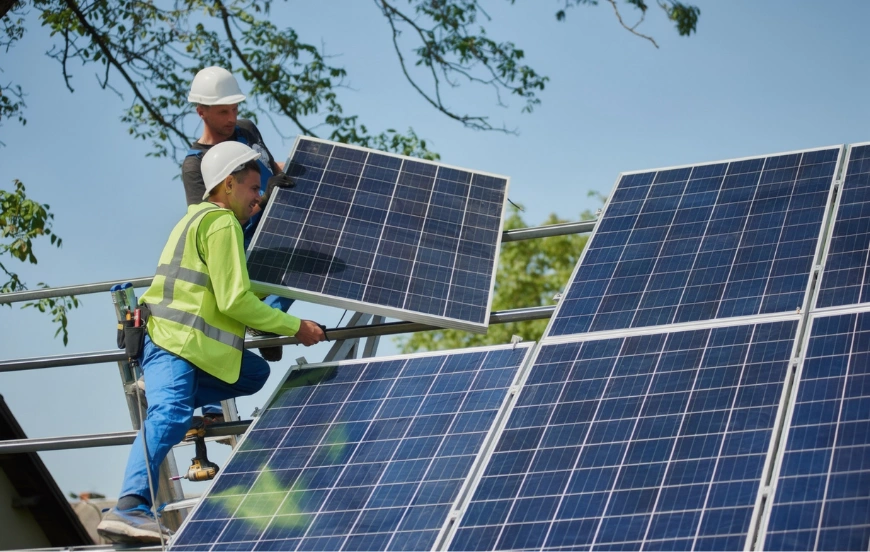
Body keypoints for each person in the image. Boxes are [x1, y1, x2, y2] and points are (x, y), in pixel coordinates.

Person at [97, 142, 326, 544]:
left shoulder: (198, 219)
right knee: (168, 416)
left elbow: (234, 288)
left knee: (253, 372)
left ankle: (174, 395)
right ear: (228, 184)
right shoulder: (221, 224)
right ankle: (129, 507)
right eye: (254, 188)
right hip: (173, 342)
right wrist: (295, 326)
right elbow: (235, 300)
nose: (259, 197)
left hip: (186, 346)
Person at [182, 65, 294, 365]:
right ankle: (265, 320)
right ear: (201, 111)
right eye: (222, 112)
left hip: (282, 227)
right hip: (246, 251)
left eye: (234, 108)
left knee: (319, 241)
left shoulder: (245, 129)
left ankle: (269, 321)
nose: (231, 118)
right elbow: (212, 222)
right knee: (300, 260)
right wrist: (265, 197)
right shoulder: (196, 165)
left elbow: (273, 167)